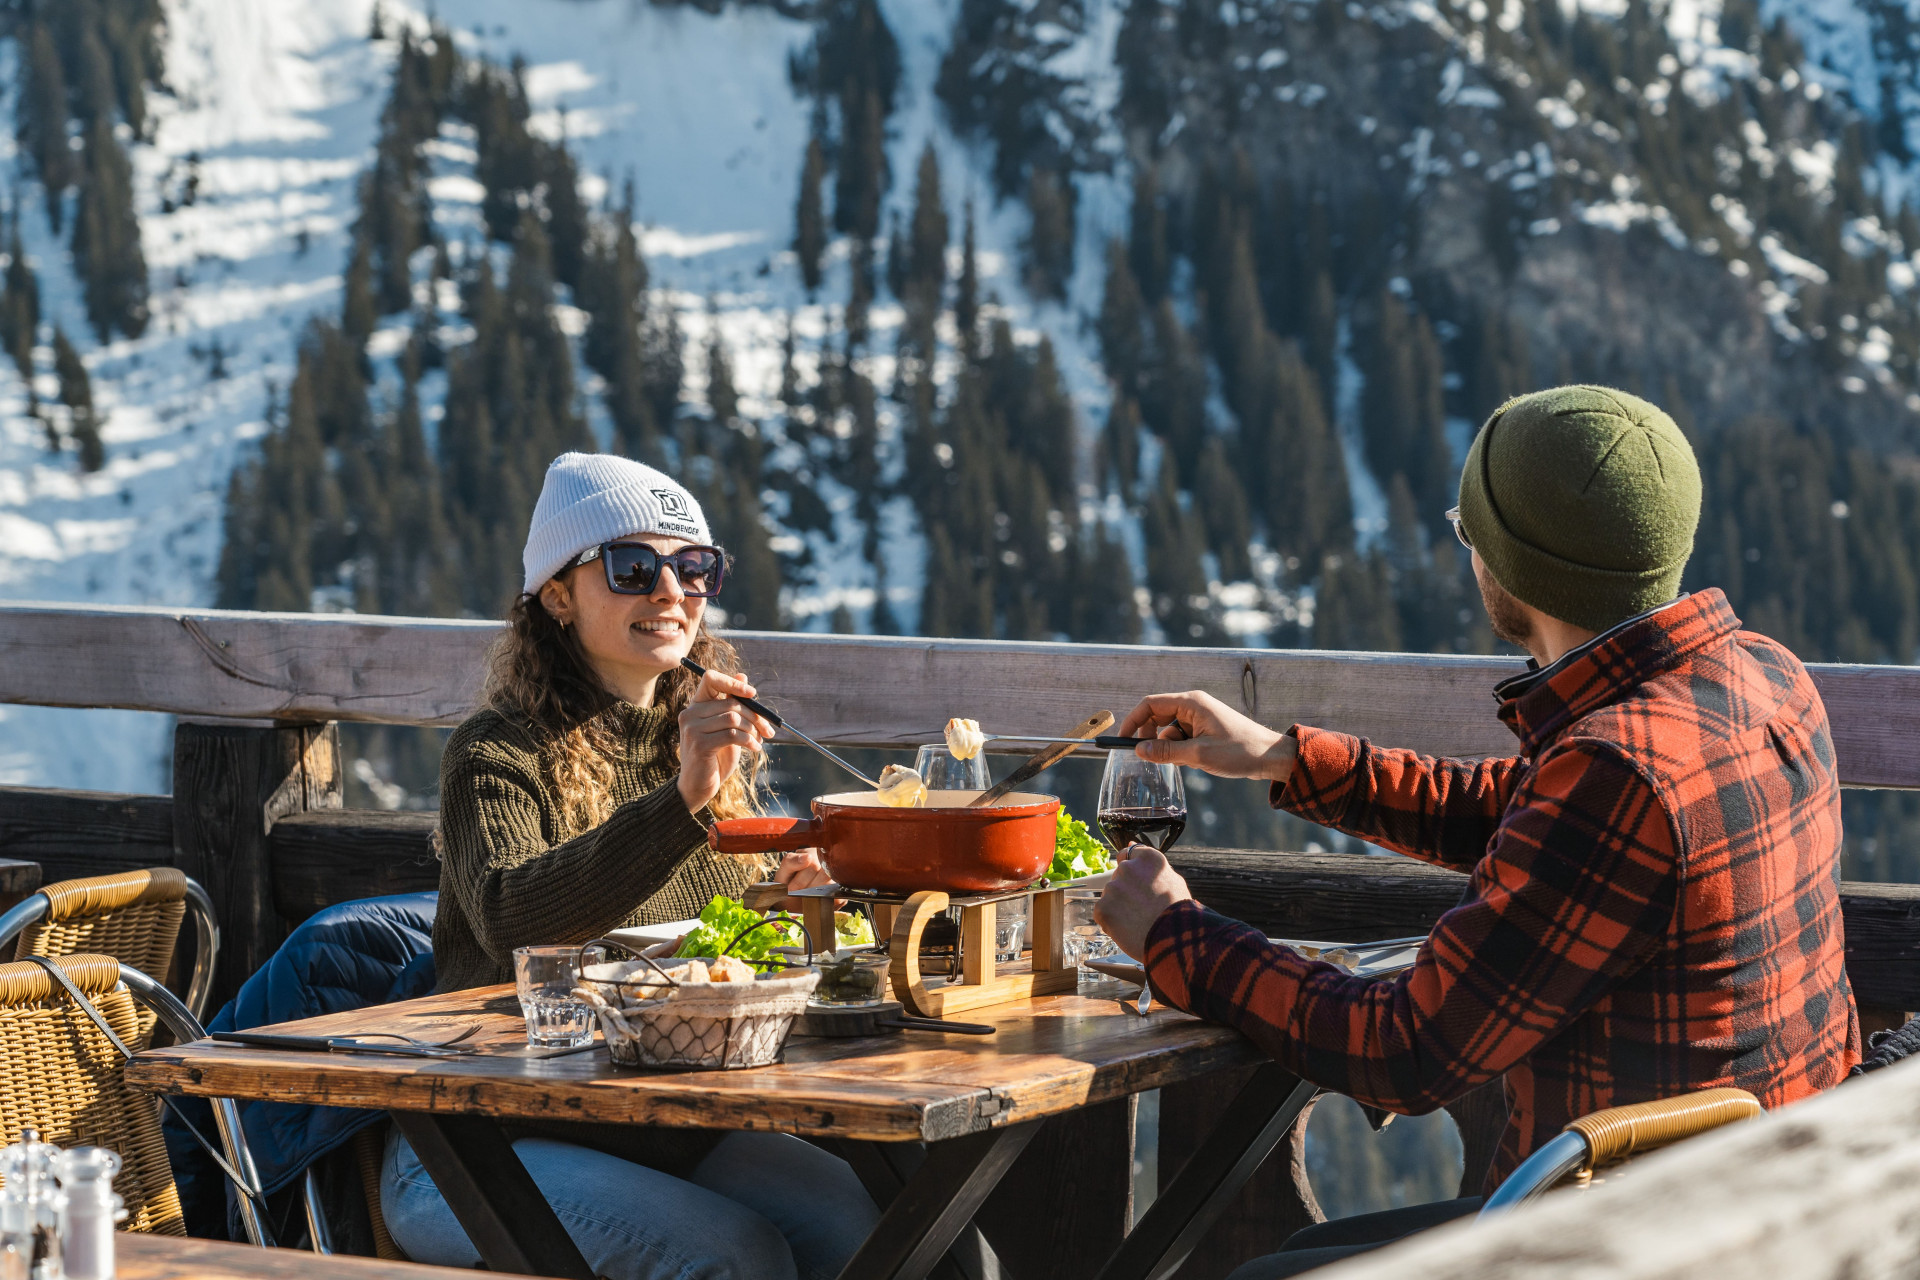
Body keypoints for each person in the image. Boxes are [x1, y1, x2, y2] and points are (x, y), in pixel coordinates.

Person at [1096, 387, 1861, 1277]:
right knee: (1307, 1252)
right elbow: (1533, 818)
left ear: (1516, 567)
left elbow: (1407, 1051)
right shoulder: (1763, 676)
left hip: (1635, 1235)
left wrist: (1174, 936)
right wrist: (1279, 757)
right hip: (1768, 1205)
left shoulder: (1617, 771)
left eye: (1472, 533)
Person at [382, 452, 879, 1280]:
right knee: (735, 1259)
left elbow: (705, 948)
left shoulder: (698, 747)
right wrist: (682, 801)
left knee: (866, 1224)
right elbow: (513, 919)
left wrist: (796, 908)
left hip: (655, 1120)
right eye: (632, 567)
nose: (670, 592)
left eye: (694, 568)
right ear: (557, 594)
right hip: (487, 1137)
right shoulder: (496, 750)